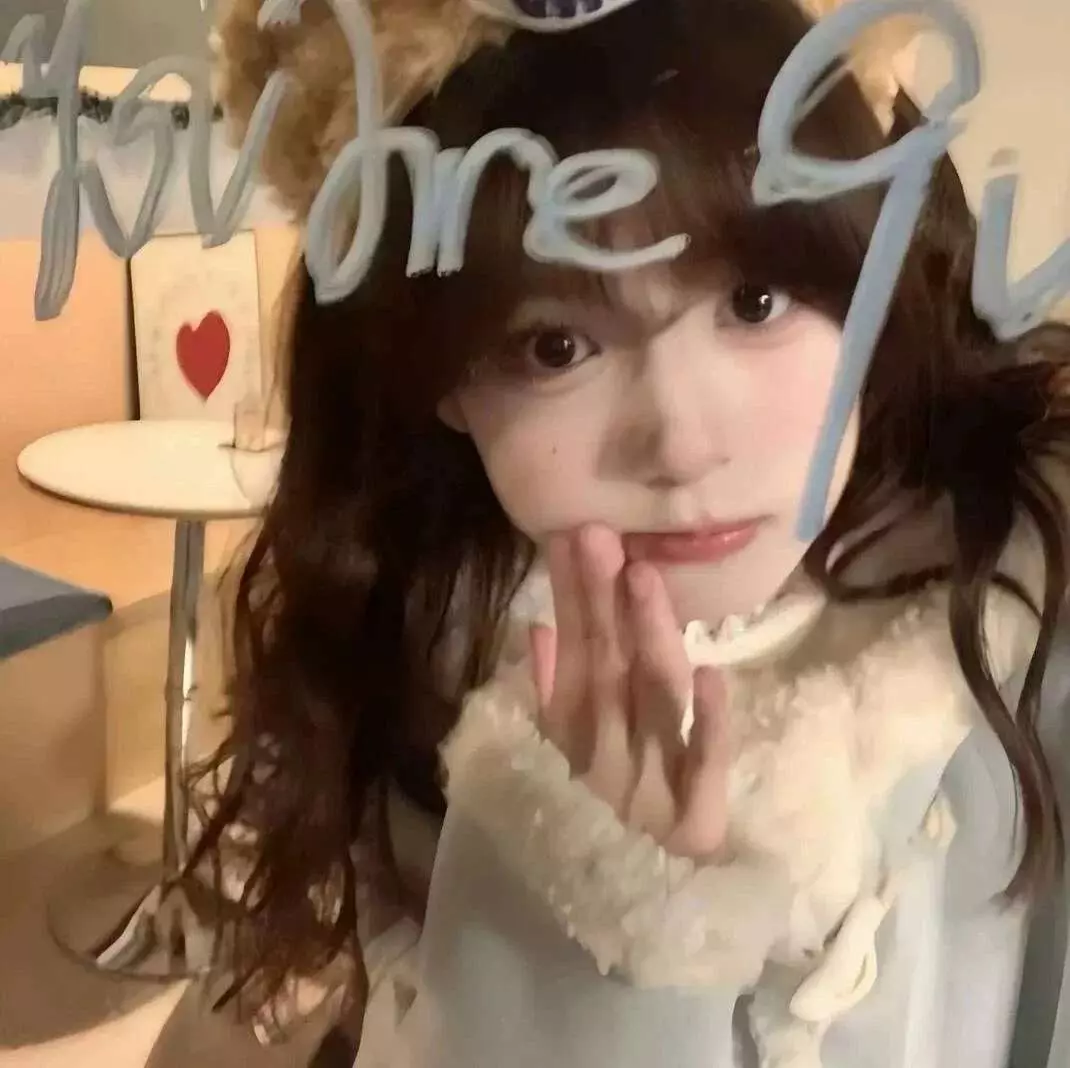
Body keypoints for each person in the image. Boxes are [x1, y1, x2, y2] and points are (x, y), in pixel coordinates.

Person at [189, 0, 1070, 1065]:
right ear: (436, 381)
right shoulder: (413, 647)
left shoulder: (1024, 615)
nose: (682, 444)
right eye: (553, 346)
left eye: (754, 301)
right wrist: (597, 923)